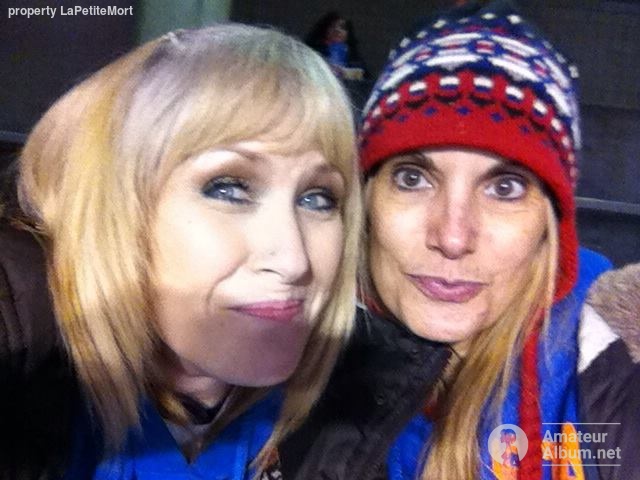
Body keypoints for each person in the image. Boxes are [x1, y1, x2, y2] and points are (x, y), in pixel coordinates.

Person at [278, 1, 635, 479]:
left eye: (505, 188)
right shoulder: (280, 360)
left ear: (549, 225)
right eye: (412, 178)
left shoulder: (613, 372)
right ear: (366, 199)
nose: (451, 236)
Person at [0, 24, 362, 479]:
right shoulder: (24, 371)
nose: (294, 261)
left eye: (317, 198)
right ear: (115, 208)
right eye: (228, 189)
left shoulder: (363, 412)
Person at [305, 11, 367, 81]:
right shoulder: (313, 52)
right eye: (332, 26)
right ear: (325, 29)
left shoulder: (354, 56)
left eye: (342, 27)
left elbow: (365, 78)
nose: (337, 30)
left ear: (348, 33)